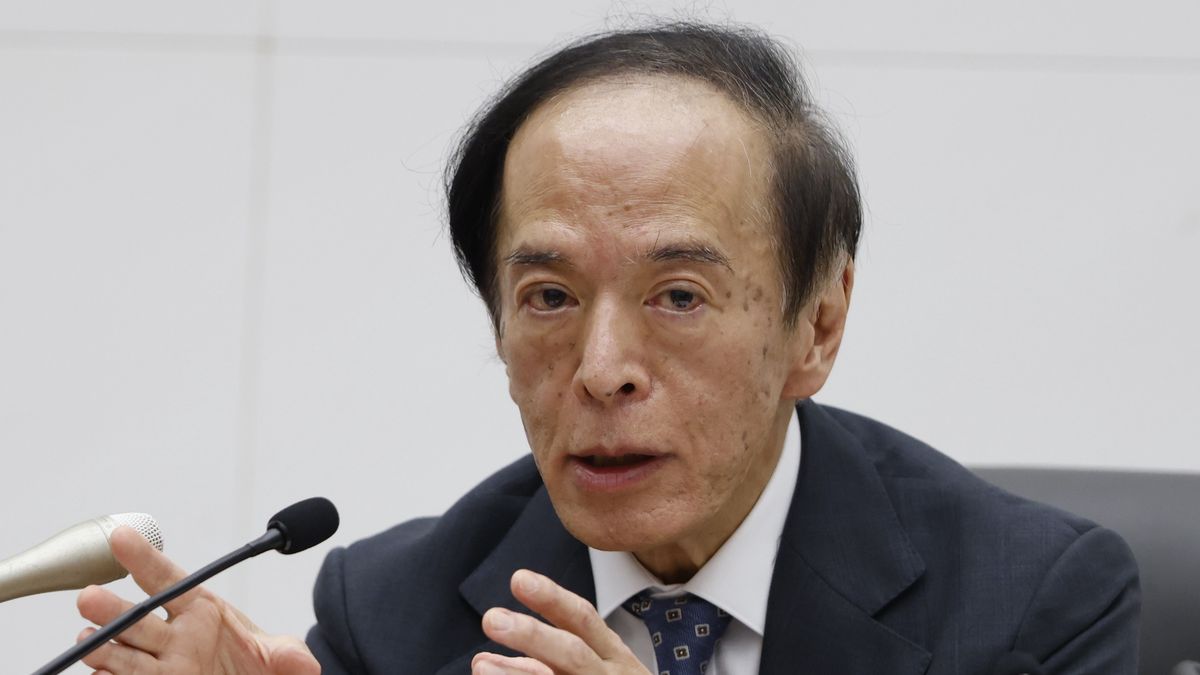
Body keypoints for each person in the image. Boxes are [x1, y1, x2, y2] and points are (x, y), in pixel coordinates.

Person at [72, 22, 1140, 675]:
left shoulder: (1029, 605)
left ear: (817, 326)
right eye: (548, 295)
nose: (601, 367)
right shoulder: (392, 611)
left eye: (678, 294)